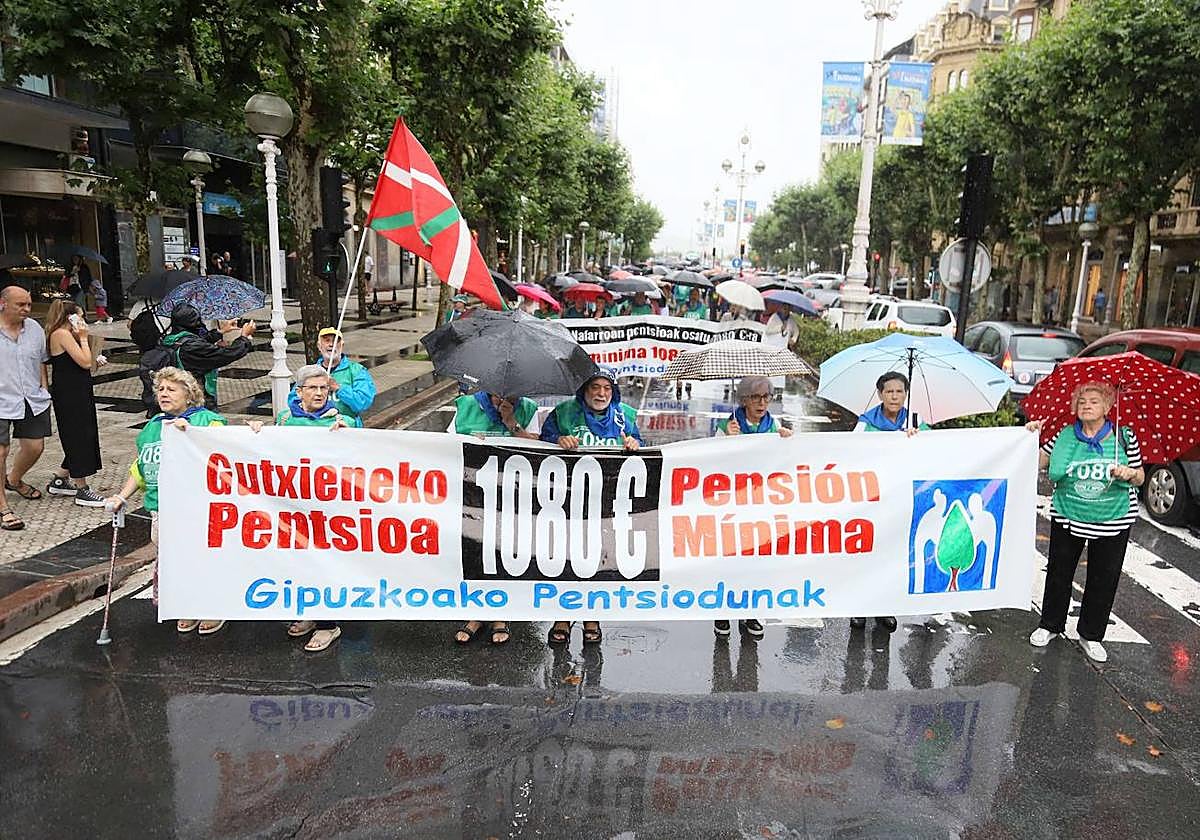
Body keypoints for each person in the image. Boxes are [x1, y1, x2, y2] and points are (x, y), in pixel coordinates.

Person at [1025, 383, 1143, 663]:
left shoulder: (1124, 437)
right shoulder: (1064, 436)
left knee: (1104, 578)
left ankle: (1091, 635)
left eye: (1094, 401)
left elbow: (1140, 476)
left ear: (1108, 407)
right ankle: (1050, 625)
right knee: (1059, 572)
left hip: (1114, 518)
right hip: (1069, 514)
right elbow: (1038, 462)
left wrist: (1128, 473)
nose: (1087, 405)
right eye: (1082, 401)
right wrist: (1031, 437)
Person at [105, 368, 227, 634]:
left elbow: (226, 453)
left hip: (197, 508)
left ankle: (212, 606)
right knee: (176, 562)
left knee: (202, 559)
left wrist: (192, 434)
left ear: (189, 394)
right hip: (161, 507)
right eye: (160, 389)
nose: (163, 394)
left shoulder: (207, 421)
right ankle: (188, 605)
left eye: (171, 389)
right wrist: (122, 496)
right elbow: (141, 466)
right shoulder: (153, 426)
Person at [540, 370, 642, 647]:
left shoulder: (625, 417)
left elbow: (641, 448)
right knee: (566, 559)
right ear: (584, 390)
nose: (601, 394)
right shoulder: (564, 413)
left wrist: (634, 444)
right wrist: (558, 441)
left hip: (607, 506)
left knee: (598, 560)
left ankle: (591, 617)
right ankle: (562, 617)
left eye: (607, 388)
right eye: (595, 387)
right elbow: (539, 446)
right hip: (568, 504)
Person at [252, 364, 349, 651]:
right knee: (298, 561)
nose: (319, 393)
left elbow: (360, 454)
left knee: (322, 563)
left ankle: (328, 625)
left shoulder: (340, 419)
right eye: (313, 388)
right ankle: (309, 612)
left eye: (323, 388)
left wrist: (348, 433)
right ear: (299, 391)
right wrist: (257, 432)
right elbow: (270, 450)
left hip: (327, 509)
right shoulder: (285, 418)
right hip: (293, 507)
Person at [448, 390, 540, 645]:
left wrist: (511, 423)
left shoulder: (528, 408)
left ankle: (501, 614)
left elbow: (538, 449)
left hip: (512, 496)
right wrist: (469, 442)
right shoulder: (466, 405)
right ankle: (476, 614)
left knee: (504, 553)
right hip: (473, 496)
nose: (503, 395)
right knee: (476, 552)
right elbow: (447, 446)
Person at [713, 375, 793, 640]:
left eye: (766, 397)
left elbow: (785, 462)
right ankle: (723, 611)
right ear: (744, 400)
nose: (761, 403)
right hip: (731, 504)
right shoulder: (727, 426)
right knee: (729, 559)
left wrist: (787, 441)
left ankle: (751, 612)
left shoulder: (775, 427)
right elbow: (709, 464)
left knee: (757, 560)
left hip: (761, 505)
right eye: (755, 397)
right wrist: (727, 441)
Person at [850, 371, 929, 632]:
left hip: (902, 499)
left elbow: (936, 450)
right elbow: (850, 454)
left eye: (899, 391)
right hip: (872, 498)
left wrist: (918, 439)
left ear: (906, 394)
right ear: (880, 394)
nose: (894, 396)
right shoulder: (866, 423)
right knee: (867, 553)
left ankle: (885, 606)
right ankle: (860, 607)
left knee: (893, 554)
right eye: (889, 391)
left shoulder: (915, 421)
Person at [42, 301, 106, 506]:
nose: (83, 321)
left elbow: (85, 362)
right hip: (69, 393)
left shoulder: (68, 335)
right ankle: (82, 488)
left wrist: (95, 357)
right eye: (80, 317)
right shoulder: (61, 334)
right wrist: (84, 338)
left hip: (79, 390)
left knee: (85, 432)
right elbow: (84, 362)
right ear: (70, 317)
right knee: (78, 435)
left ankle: (61, 479)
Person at [0, 285, 52, 530]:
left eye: (29, 304)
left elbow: (41, 361)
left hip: (31, 398)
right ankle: (2, 507)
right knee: (1, 452)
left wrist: (44, 389)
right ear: (3, 304)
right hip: (1, 400)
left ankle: (13, 479)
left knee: (35, 447)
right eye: (20, 304)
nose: (26, 309)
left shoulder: (34, 329)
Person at [157, 303, 255, 410]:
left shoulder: (170, 340)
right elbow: (226, 354)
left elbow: (198, 342)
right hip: (196, 399)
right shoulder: (192, 347)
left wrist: (221, 331)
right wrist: (244, 338)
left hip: (178, 396)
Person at [291, 327, 376, 427]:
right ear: (319, 346)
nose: (331, 344)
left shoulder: (357, 371)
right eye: (327, 341)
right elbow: (293, 399)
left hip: (346, 428)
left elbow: (362, 403)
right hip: (315, 427)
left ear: (342, 345)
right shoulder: (310, 372)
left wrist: (338, 388)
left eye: (336, 341)